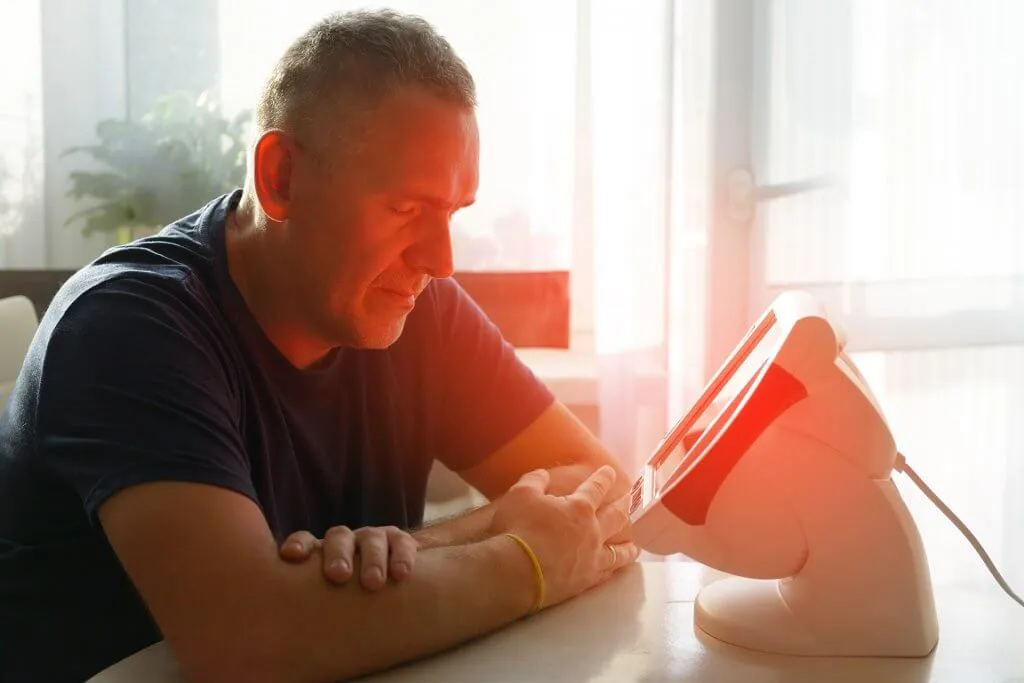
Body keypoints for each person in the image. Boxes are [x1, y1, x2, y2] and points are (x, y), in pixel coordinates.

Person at [0, 9, 640, 683]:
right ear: (280, 177)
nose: (440, 259)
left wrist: (421, 547)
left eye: (452, 212)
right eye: (406, 209)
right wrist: (526, 562)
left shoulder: (414, 306)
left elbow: (604, 493)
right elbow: (247, 637)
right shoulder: (129, 325)